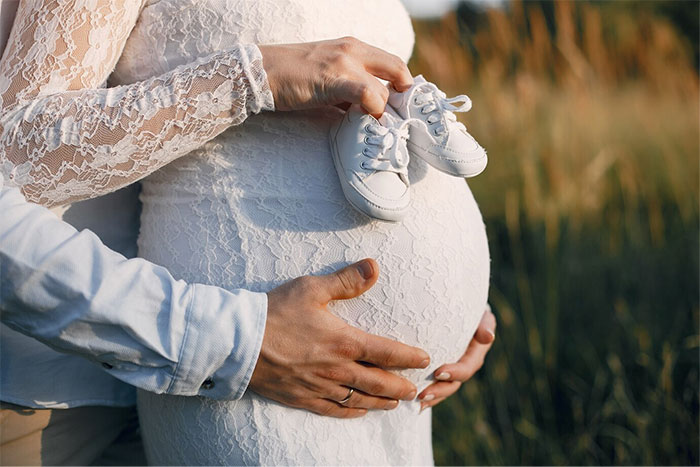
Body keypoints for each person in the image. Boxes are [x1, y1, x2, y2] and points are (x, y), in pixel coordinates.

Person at [0, 0, 495, 464]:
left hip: (390, 388)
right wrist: (254, 77)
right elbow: (20, 155)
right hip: (207, 364)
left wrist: (452, 285)